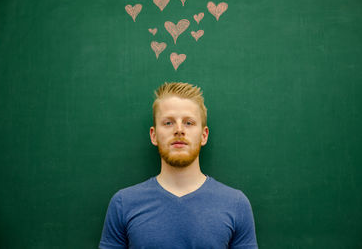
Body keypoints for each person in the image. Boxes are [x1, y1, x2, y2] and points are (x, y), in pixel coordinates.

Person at [99, 82, 258, 249]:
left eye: (189, 123)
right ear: (154, 135)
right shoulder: (123, 204)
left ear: (204, 136)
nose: (179, 130)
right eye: (168, 123)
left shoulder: (236, 204)